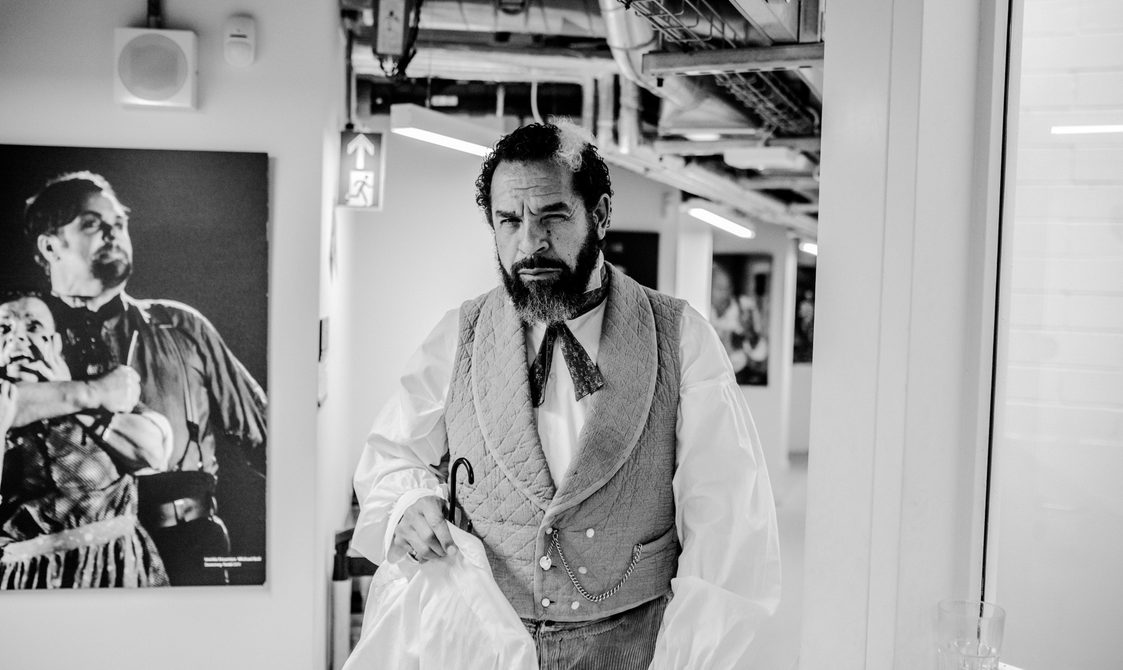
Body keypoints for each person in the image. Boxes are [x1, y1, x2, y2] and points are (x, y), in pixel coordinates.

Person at [352, 122, 780, 668]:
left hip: (631, 650)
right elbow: (390, 455)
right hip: (482, 647)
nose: (530, 243)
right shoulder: (458, 335)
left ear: (599, 214)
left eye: (551, 216)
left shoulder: (681, 338)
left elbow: (727, 529)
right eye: (509, 221)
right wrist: (408, 504)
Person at [18, 172, 267, 586]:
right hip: (73, 566)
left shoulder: (182, 326)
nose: (113, 233)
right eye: (92, 223)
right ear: (50, 246)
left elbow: (267, 437)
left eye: (119, 222)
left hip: (186, 551)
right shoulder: (23, 339)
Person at [0, 290, 170, 588]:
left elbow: (154, 451)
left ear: (57, 342)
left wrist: (75, 399)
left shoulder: (100, 394)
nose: (18, 338)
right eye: (3, 328)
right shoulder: (99, 390)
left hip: (118, 570)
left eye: (33, 326)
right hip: (29, 582)